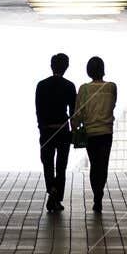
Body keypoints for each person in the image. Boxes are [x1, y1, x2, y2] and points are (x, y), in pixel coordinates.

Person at [72, 56, 117, 213]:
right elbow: (112, 105)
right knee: (103, 165)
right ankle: (99, 194)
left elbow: (78, 112)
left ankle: (96, 194)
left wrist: (75, 127)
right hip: (106, 132)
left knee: (94, 164)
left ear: (89, 71)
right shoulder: (112, 87)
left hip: (90, 133)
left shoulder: (84, 89)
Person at [35, 52, 76, 212]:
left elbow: (38, 110)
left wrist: (41, 127)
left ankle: (51, 189)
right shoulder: (69, 86)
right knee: (61, 166)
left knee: (47, 164)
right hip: (62, 130)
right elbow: (73, 112)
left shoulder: (41, 85)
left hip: (46, 130)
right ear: (66, 67)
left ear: (51, 66)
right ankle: (57, 198)